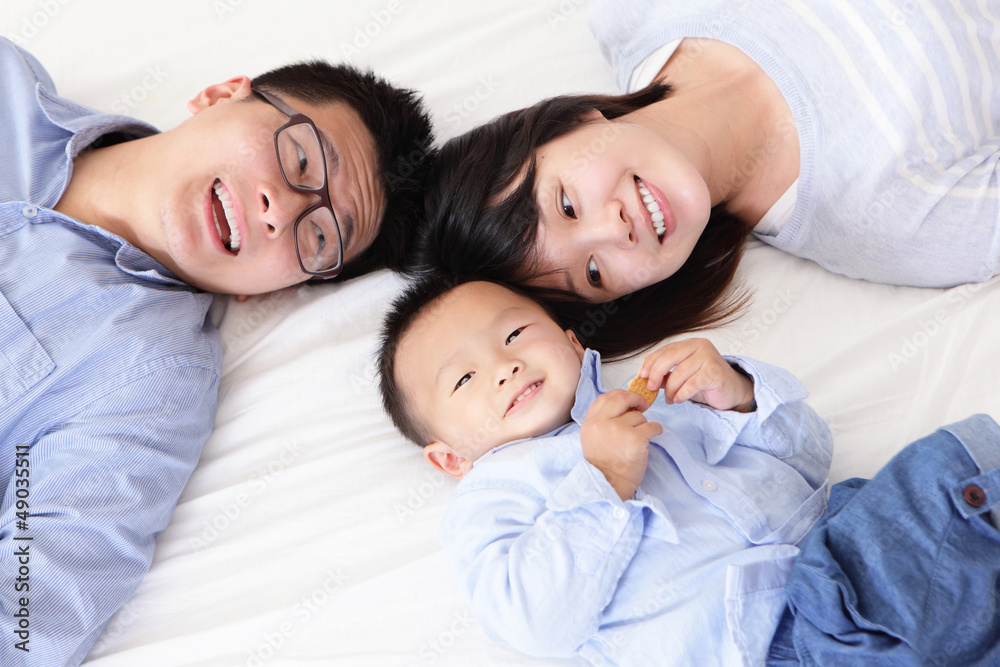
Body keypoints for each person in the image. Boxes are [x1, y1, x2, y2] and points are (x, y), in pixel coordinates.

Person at [0, 36, 433, 666]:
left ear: (270, 294)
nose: (279, 210)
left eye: (318, 236)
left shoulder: (147, 381)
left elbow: (29, 611)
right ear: (222, 94)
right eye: (302, 159)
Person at [377, 278, 1000, 666]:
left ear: (571, 342)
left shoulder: (664, 399)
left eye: (515, 334)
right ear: (449, 458)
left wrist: (736, 393)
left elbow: (810, 458)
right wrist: (602, 480)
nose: (504, 366)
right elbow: (536, 620)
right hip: (763, 643)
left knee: (924, 502)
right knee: (949, 482)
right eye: (464, 378)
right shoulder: (494, 493)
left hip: (844, 548)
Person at [418, 0, 1000, 358]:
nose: (614, 232)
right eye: (593, 274)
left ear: (567, 124)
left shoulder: (634, 10)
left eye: (567, 206)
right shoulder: (888, 224)